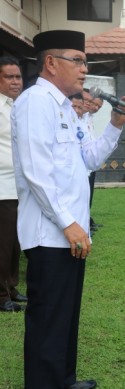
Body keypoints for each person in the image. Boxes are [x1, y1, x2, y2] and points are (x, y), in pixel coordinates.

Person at [12, 30, 125, 389]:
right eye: (78, 60)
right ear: (50, 63)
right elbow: (36, 172)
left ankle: (61, 376)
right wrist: (68, 224)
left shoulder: (65, 106)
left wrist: (115, 123)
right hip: (51, 232)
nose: (85, 70)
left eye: (86, 62)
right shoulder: (35, 102)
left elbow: (90, 159)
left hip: (70, 230)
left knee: (66, 312)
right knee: (49, 315)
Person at [0, 56, 26, 313]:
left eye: (18, 77)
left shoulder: (18, 106)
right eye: (9, 77)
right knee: (3, 242)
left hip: (19, 186)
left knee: (16, 242)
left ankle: (11, 285)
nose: (16, 82)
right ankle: (0, 294)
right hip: (2, 186)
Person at [82, 89, 103, 233]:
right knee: (82, 197)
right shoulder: (78, 116)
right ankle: (85, 224)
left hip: (91, 166)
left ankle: (87, 222)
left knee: (88, 197)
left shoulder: (89, 117)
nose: (95, 107)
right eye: (92, 103)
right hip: (82, 166)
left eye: (99, 106)